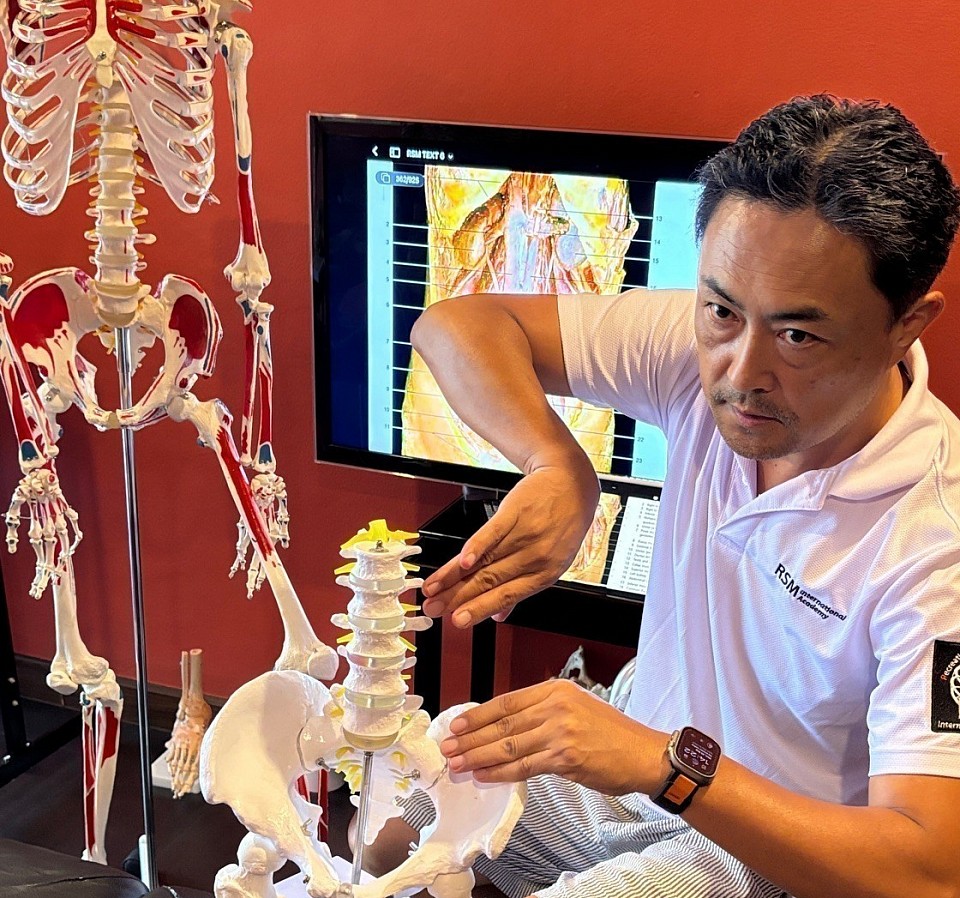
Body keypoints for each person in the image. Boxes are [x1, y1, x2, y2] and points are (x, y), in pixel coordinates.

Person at [358, 95, 960, 898]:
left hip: (773, 841)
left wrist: (667, 764)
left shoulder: (937, 541)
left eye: (798, 336)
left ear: (906, 326)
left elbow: (928, 870)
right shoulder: (697, 346)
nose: (739, 374)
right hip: (642, 747)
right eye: (720, 310)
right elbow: (457, 324)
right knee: (389, 824)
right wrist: (554, 463)